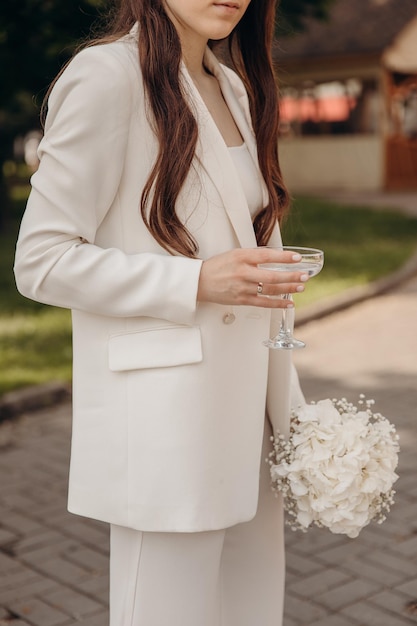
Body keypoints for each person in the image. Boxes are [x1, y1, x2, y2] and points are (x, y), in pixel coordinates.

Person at [14, 0, 307, 624]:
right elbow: (40, 260)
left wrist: (293, 408)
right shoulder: (106, 76)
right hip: (169, 423)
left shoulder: (234, 86)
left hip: (252, 417)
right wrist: (196, 281)